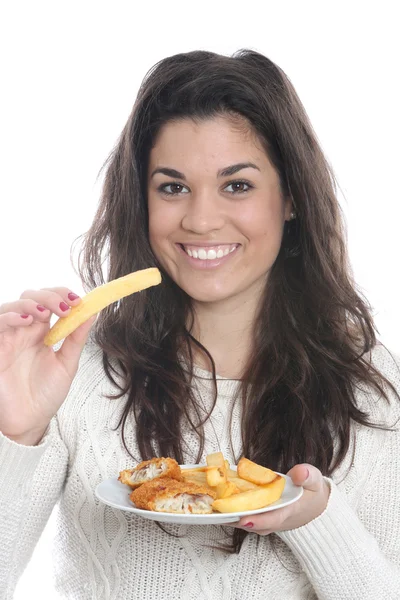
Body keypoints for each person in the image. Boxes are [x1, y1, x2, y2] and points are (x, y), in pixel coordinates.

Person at [0, 48, 399, 600]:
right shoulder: (75, 374)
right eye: (172, 186)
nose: (201, 219)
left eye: (237, 185)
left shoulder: (368, 385)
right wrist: (16, 433)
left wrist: (317, 520)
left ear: (290, 199)